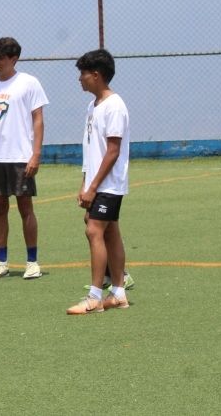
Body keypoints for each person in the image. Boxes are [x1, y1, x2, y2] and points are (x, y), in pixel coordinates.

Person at [0, 37, 47, 280]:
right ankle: (1, 262)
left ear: (14, 59)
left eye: (1, 58)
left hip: (21, 156)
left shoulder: (29, 83)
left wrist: (35, 154)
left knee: (25, 207)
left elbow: (38, 119)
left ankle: (32, 262)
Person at [68, 49, 132, 315]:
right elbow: (91, 149)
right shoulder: (93, 106)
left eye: (83, 74)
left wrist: (94, 186)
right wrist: (85, 184)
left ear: (96, 75)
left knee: (94, 230)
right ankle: (118, 293)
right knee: (110, 231)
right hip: (97, 182)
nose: (79, 79)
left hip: (109, 184)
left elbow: (113, 151)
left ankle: (94, 297)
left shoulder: (114, 106)